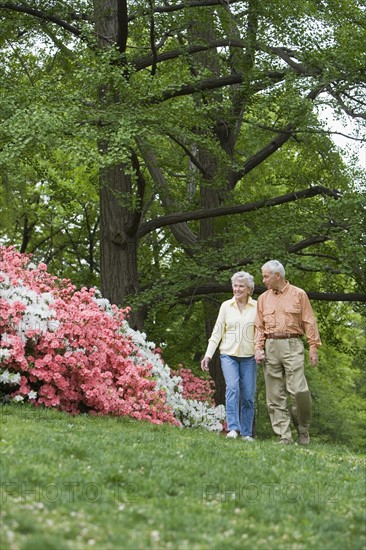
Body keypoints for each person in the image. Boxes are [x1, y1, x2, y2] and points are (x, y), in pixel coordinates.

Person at [255, 260, 321, 445]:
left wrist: (313, 347)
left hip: (293, 344)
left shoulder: (299, 294)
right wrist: (258, 348)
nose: (264, 280)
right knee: (274, 394)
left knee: (299, 390)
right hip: (270, 345)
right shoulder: (263, 299)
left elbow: (309, 321)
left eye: (266, 276)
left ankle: (303, 429)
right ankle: (284, 436)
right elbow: (259, 327)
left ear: (278, 276)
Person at [201, 271, 257, 441]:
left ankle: (247, 433)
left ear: (249, 289)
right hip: (228, 355)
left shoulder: (257, 307)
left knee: (248, 395)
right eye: (235, 285)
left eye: (241, 286)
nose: (237, 289)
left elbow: (262, 331)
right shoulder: (226, 306)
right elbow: (217, 332)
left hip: (249, 357)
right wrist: (208, 355)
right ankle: (233, 428)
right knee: (232, 388)